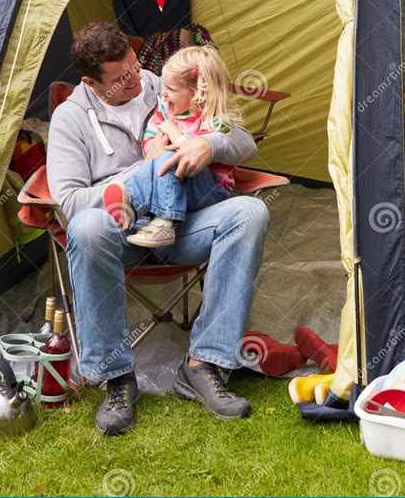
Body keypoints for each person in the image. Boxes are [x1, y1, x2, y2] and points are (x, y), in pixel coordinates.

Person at [47, 22, 270, 435]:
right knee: (89, 225)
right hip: (122, 233)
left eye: (134, 67)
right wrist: (145, 174)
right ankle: (117, 379)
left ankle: (203, 365)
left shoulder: (161, 82)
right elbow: (71, 202)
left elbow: (241, 138)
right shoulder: (70, 119)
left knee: (249, 214)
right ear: (92, 83)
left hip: (182, 226)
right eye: (120, 78)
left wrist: (210, 145)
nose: (136, 80)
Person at [102, 45, 240, 248]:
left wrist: (173, 133)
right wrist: (154, 148)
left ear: (197, 94)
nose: (163, 94)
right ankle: (131, 207)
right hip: (176, 190)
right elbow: (150, 139)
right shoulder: (167, 111)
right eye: (164, 87)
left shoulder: (214, 121)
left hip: (208, 192)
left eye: (171, 89)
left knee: (170, 158)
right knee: (159, 159)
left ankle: (161, 221)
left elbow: (192, 152)